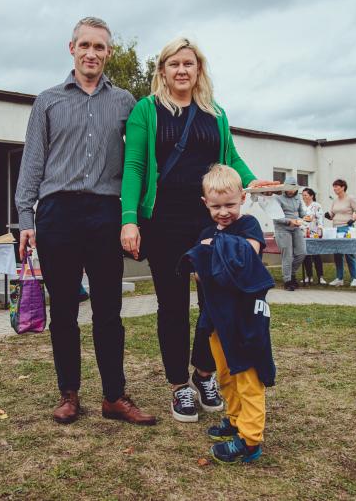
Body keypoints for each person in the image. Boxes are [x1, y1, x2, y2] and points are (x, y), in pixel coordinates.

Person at [120, 36, 277, 423]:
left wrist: (251, 181)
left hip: (212, 220)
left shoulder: (215, 112)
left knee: (216, 302)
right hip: (163, 221)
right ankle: (179, 385)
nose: (181, 70)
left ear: (198, 69)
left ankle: (204, 374)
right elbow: (134, 166)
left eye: (188, 64)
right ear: (162, 71)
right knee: (172, 305)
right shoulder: (147, 110)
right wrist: (129, 218)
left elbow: (231, 157)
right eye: (174, 64)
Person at [15, 17, 155, 426]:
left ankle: (114, 396)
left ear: (108, 52)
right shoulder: (48, 101)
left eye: (99, 47)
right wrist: (26, 217)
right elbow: (32, 162)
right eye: (85, 45)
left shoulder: (126, 102)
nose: (92, 53)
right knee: (63, 310)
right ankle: (69, 394)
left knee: (109, 311)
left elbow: (139, 161)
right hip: (57, 213)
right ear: (71, 48)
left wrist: (136, 215)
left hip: (106, 213)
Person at [183, 165, 275, 464]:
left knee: (248, 376)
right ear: (205, 204)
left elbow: (247, 255)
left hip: (244, 320)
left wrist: (213, 250)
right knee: (225, 375)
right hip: (216, 319)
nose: (223, 212)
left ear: (243, 199)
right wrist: (205, 257)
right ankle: (235, 421)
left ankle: (250, 440)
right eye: (216, 207)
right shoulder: (206, 233)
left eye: (230, 205)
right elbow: (200, 274)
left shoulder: (248, 226)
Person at [325, 178, 356, 287]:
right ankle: (339, 278)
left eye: (337, 186)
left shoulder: (350, 198)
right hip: (336, 229)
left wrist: (352, 220)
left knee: (349, 253)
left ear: (343, 187)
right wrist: (327, 215)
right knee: (337, 254)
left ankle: (355, 279)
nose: (334, 188)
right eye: (334, 187)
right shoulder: (335, 200)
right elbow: (332, 215)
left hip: (346, 228)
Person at [272, 177, 306, 291]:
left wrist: (307, 216)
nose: (291, 191)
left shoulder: (297, 197)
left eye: (293, 188)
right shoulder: (277, 198)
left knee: (302, 253)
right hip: (282, 229)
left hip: (296, 228)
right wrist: (289, 221)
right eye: (289, 188)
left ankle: (291, 274)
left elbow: (301, 212)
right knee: (287, 256)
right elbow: (276, 217)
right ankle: (288, 281)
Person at [301, 187, 326, 285]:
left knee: (316, 255)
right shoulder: (301, 206)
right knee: (306, 255)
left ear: (311, 196)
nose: (304, 197)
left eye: (306, 195)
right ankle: (309, 276)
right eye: (303, 195)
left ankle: (320, 277)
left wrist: (320, 229)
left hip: (314, 233)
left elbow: (320, 220)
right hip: (304, 233)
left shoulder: (316, 206)